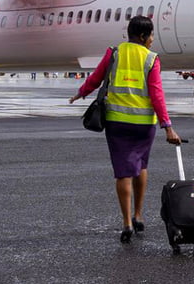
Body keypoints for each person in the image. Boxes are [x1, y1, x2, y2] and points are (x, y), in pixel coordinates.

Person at [69, 16, 181, 242]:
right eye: (150, 36)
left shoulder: (114, 53)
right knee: (140, 166)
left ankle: (126, 222)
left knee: (123, 171)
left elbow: (97, 78)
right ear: (142, 36)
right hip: (143, 125)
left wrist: (81, 93)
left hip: (117, 122)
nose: (152, 40)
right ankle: (139, 215)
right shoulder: (151, 59)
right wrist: (167, 126)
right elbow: (157, 94)